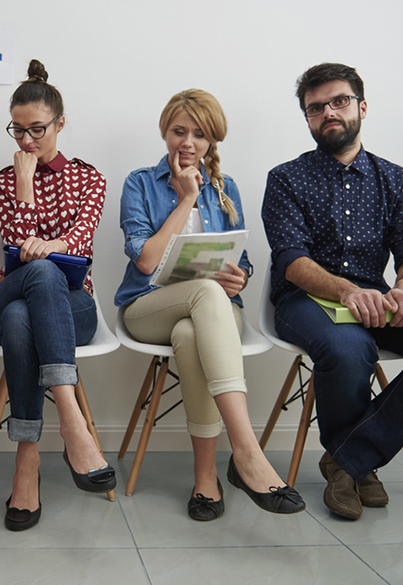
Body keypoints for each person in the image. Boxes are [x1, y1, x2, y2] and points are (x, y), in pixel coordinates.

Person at [262, 63, 403, 520]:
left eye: (339, 101)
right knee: (351, 346)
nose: (328, 111)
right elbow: (291, 258)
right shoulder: (286, 177)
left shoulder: (396, 179)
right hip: (302, 300)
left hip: (378, 299)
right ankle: (357, 466)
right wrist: (347, 291)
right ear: (307, 118)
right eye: (315, 107)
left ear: (361, 107)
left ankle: (348, 458)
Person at [115, 89, 304, 520]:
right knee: (204, 293)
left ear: (212, 139)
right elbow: (145, 262)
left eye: (199, 134)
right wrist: (185, 199)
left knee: (191, 331)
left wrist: (242, 277)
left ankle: (206, 478)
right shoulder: (140, 182)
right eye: (179, 131)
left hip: (212, 314)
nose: (188, 142)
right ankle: (247, 453)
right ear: (164, 131)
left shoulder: (227, 187)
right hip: (148, 308)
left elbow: (245, 259)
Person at [0, 59, 114, 532]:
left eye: (36, 129)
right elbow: (16, 250)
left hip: (73, 305)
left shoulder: (90, 178)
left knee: (23, 317)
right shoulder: (1, 181)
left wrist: (53, 245)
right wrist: (23, 184)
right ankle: (71, 420)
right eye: (16, 130)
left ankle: (26, 464)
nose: (25, 140)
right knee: (34, 275)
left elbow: (81, 242)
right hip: (5, 294)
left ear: (60, 123)